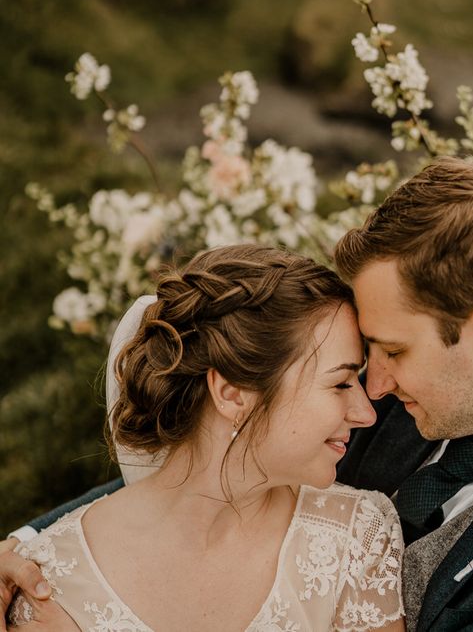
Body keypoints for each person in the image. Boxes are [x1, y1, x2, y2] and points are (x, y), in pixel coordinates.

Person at [3, 157, 473, 631]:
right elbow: (208, 473)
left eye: (393, 352)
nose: (371, 391)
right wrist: (32, 552)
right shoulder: (400, 395)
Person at [3, 245, 405, 631]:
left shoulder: (357, 537)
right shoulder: (48, 578)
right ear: (232, 394)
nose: (367, 413)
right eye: (340, 383)